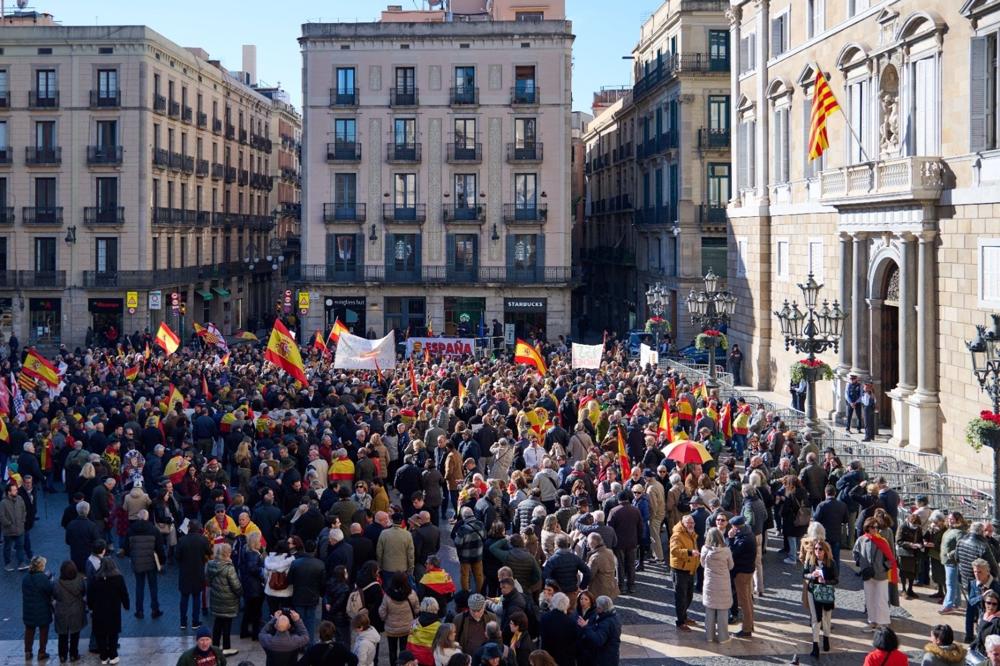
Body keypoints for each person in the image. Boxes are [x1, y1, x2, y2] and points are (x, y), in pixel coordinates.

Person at [853, 517, 895, 631]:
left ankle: (883, 623)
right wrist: (862, 565)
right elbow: (855, 553)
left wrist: (883, 567)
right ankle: (872, 622)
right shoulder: (861, 540)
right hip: (867, 575)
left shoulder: (883, 541)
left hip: (881, 575)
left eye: (877, 527)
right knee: (870, 599)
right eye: (873, 527)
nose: (876, 529)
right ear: (867, 528)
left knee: (882, 599)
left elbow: (891, 558)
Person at [88, 556, 130, 664]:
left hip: (99, 611)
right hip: (113, 611)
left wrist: (91, 606)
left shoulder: (95, 579)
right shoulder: (118, 578)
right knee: (113, 633)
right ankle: (113, 655)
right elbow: (124, 593)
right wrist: (126, 605)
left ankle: (103, 656)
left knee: (100, 634)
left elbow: (90, 595)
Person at [125, 508, 165, 619]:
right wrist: (162, 562)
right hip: (151, 562)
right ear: (147, 517)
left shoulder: (131, 530)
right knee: (153, 587)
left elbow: (126, 548)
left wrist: (132, 556)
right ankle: (155, 610)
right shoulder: (154, 530)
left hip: (137, 562)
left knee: (139, 587)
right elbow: (160, 548)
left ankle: (139, 611)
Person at [206, 542, 243, 656]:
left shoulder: (211, 564)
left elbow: (208, 581)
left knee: (217, 623)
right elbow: (236, 586)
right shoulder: (228, 568)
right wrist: (240, 593)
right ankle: (226, 647)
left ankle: (215, 646)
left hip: (216, 599)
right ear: (227, 554)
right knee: (227, 624)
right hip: (228, 600)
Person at [803, 539, 838, 659]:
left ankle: (826, 639)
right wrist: (811, 576)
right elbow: (804, 574)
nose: (817, 551)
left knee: (827, 618)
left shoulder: (831, 563)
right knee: (816, 618)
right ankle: (815, 645)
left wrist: (826, 581)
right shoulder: (810, 561)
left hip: (826, 593)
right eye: (816, 549)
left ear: (825, 551)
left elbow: (836, 580)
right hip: (813, 592)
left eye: (820, 549)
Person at [700, 527, 734, 644]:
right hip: (723, 584)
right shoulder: (726, 550)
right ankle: (723, 637)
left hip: (710, 583)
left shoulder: (704, 549)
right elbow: (731, 566)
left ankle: (709, 636)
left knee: (709, 611)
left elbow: (703, 564)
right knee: (722, 611)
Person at [176, 520, 212, 630]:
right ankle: (195, 622)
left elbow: (177, 556)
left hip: (185, 573)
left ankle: (183, 622)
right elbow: (209, 553)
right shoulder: (203, 540)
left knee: (184, 598)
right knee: (196, 598)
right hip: (198, 572)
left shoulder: (182, 540)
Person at [379, 572, 419, 665]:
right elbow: (417, 610)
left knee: (392, 651)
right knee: (404, 651)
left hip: (391, 629)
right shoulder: (411, 594)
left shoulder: (388, 595)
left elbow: (382, 612)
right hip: (407, 628)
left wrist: (385, 619)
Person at [726, 515, 756, 638]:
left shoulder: (743, 540)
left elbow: (732, 553)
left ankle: (747, 629)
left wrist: (730, 538)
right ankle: (749, 625)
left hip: (742, 573)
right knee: (748, 600)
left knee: (744, 602)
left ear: (736, 527)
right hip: (747, 571)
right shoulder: (749, 533)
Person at [52, 560, 87, 664]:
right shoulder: (80, 580)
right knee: (75, 634)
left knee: (62, 635)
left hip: (62, 611)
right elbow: (83, 592)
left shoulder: (57, 583)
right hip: (76, 610)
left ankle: (62, 655)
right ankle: (73, 654)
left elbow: (55, 595)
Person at [669, 514, 699, 632]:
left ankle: (684, 616)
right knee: (681, 597)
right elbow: (674, 550)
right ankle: (680, 621)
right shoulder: (677, 535)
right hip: (680, 569)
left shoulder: (691, 533)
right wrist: (690, 552)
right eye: (688, 523)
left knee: (689, 595)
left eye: (692, 523)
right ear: (683, 523)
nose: (691, 525)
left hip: (690, 568)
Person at [22, 555, 54, 661]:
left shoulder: (25, 578)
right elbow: (50, 591)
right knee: (43, 631)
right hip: (42, 609)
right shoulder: (43, 578)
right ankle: (41, 652)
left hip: (28, 609)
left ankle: (27, 651)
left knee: (29, 630)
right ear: (41, 566)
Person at [577, 595, 621, 666]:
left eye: (597, 607)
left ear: (601, 608)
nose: (596, 608)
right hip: (611, 656)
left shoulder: (606, 623)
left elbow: (598, 640)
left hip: (604, 659)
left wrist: (585, 627)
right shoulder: (614, 616)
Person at [539, 592, 578, 665]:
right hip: (565, 659)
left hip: (548, 656)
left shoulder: (545, 618)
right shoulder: (571, 622)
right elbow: (573, 642)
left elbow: (542, 636)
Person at [406, 596, 442, 666]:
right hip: (431, 659)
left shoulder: (414, 623)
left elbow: (410, 639)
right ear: (436, 607)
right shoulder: (439, 626)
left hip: (415, 658)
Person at [1, 480, 28, 571]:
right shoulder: (3, 503)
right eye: (14, 490)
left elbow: (24, 510)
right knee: (7, 547)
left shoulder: (20, 499)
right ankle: (7, 563)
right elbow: (1, 516)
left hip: (19, 529)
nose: (16, 491)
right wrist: (8, 524)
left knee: (20, 546)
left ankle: (21, 563)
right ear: (9, 492)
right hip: (8, 530)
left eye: (16, 489)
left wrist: (22, 521)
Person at [585, 532, 619, 601]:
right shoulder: (610, 552)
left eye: (588, 543)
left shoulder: (595, 557)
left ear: (592, 544)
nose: (587, 545)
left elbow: (590, 575)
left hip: (598, 590)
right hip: (610, 588)